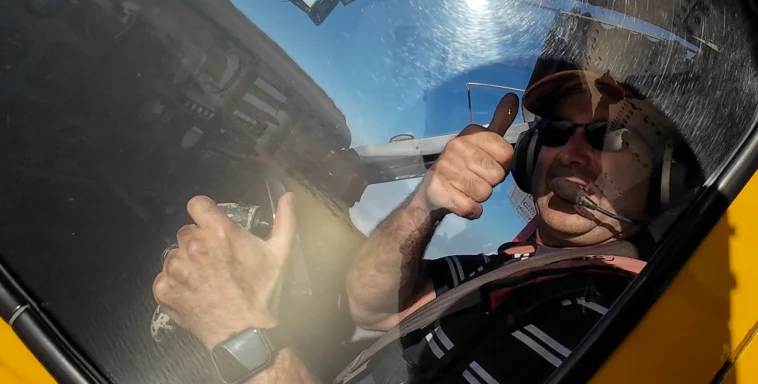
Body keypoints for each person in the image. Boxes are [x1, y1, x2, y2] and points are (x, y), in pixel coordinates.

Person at [152, 69, 689, 384]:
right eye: (554, 131)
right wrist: (426, 202)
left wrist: (243, 336)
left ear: (662, 180)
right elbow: (370, 303)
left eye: (606, 136)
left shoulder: (635, 328)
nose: (569, 152)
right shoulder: (504, 266)